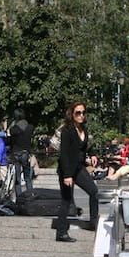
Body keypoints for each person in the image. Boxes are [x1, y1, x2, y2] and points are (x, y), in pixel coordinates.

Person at [54, 101, 98, 243]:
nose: (81, 115)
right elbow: (64, 154)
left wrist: (92, 154)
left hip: (79, 168)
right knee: (67, 200)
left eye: (83, 112)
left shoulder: (83, 128)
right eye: (78, 113)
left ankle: (93, 222)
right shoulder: (67, 130)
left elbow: (86, 145)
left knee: (93, 191)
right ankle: (61, 233)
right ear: (72, 114)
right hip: (67, 169)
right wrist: (67, 175)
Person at [7, 108, 35, 200]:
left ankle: (19, 198)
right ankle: (30, 195)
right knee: (27, 177)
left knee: (17, 179)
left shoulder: (13, 129)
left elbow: (10, 140)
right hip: (25, 152)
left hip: (15, 153)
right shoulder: (30, 127)